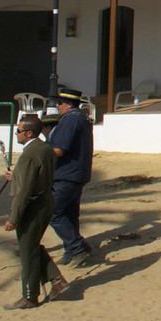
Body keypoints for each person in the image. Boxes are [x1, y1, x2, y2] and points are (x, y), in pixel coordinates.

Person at [2, 114, 69, 309]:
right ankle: (56, 280)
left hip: (34, 206)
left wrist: (14, 217)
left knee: (27, 251)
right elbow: (36, 175)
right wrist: (16, 175)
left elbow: (24, 191)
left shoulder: (29, 154)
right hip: (47, 200)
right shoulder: (45, 148)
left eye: (19, 131)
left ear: (28, 132)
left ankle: (30, 296)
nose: (17, 134)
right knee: (31, 245)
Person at [46, 87, 94, 265]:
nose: (57, 106)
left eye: (59, 103)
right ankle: (71, 251)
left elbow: (59, 150)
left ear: (68, 104)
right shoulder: (81, 119)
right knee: (70, 213)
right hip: (77, 173)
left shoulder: (70, 120)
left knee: (53, 212)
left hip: (66, 174)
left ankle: (77, 246)